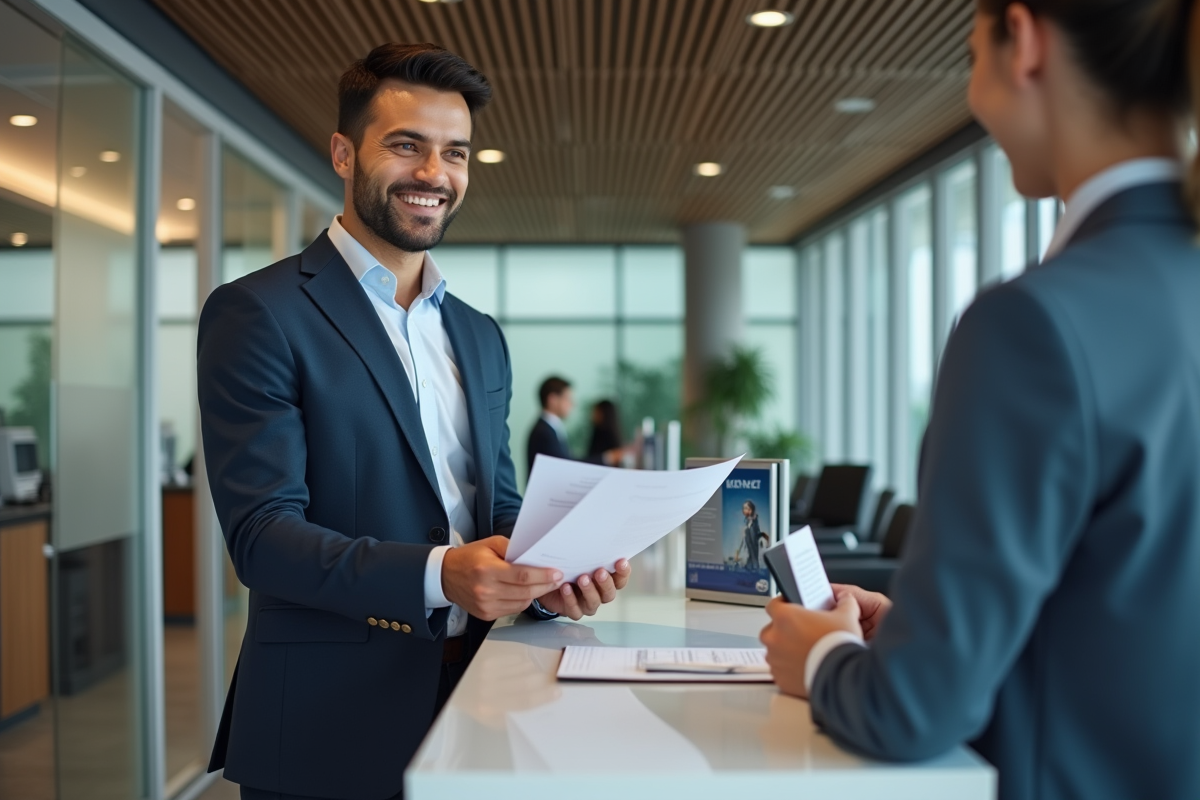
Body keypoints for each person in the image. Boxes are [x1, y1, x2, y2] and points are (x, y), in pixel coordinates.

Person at [760, 2, 1200, 799]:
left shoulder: (1035, 323)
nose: (972, 91)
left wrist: (820, 658)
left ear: (1024, 42)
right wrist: (931, 633)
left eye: (970, 55)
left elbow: (912, 714)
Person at [197, 43, 632, 800]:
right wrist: (442, 575)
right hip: (327, 721)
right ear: (343, 152)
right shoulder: (259, 313)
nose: (435, 174)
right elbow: (263, 539)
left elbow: (496, 506)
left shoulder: (478, 333)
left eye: (455, 153)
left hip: (486, 695)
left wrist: (549, 574)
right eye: (407, 146)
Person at [526, 377, 624, 477]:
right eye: (567, 399)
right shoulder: (544, 432)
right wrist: (608, 458)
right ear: (552, 400)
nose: (572, 404)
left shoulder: (550, 429)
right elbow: (567, 466)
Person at [741, 500, 763, 571]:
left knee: (753, 551)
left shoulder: (754, 519)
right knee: (749, 551)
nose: (744, 510)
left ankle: (755, 566)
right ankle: (749, 565)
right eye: (744, 508)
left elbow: (756, 530)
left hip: (753, 539)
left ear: (750, 510)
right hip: (749, 539)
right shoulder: (747, 520)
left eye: (746, 508)